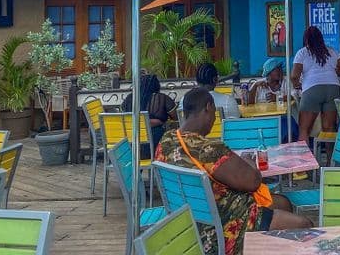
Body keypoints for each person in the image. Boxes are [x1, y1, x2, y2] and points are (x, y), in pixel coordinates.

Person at [156, 87, 311, 255]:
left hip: (188, 221)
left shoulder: (167, 141)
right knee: (305, 226)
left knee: (283, 202)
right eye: (214, 113)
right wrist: (250, 162)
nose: (214, 119)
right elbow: (253, 182)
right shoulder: (209, 150)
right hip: (223, 226)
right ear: (208, 107)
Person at [290, 26, 340, 146]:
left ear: (306, 39)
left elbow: (294, 76)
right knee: (329, 129)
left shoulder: (302, 52)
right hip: (333, 88)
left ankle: (306, 163)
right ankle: (329, 162)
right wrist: (338, 73)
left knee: (304, 129)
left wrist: (298, 85)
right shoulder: (331, 51)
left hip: (312, 89)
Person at [248, 57, 298, 142]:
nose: (280, 72)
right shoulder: (259, 85)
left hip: (282, 119)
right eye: (276, 69)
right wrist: (255, 86)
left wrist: (277, 98)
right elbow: (249, 103)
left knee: (288, 125)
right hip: (263, 120)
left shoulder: (286, 82)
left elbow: (293, 96)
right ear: (269, 73)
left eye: (280, 69)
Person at [121, 72, 176, 149]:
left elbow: (125, 118)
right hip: (155, 146)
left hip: (130, 147)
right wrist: (160, 121)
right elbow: (175, 117)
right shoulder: (162, 98)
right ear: (157, 85)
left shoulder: (129, 99)